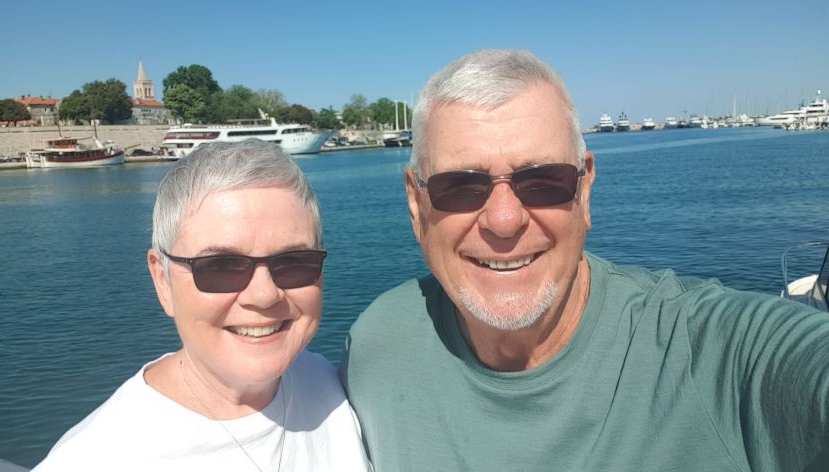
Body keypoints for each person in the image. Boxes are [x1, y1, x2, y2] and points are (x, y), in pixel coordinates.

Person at [341, 49, 829, 471]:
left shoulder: (710, 354)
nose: (504, 220)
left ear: (585, 189)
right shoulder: (377, 346)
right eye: (461, 186)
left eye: (543, 181)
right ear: (415, 203)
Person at [36, 140, 370, 471]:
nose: (264, 295)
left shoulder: (331, 384)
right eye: (221, 267)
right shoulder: (92, 459)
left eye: (295, 262)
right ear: (162, 280)